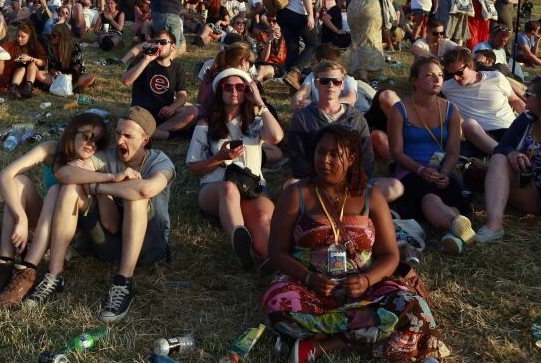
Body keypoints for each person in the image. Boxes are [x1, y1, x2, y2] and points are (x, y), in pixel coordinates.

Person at [263, 125, 446, 363]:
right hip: (309, 287)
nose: (324, 160)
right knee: (278, 306)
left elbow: (390, 255)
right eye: (320, 152)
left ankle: (326, 345)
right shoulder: (296, 194)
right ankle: (368, 334)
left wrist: (367, 280)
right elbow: (276, 251)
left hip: (365, 290)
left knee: (416, 312)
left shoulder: (372, 197)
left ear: (350, 159)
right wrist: (308, 278)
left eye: (334, 155)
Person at [39, 107, 175, 323]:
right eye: (118, 133)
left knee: (135, 194)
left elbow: (145, 190)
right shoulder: (108, 157)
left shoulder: (160, 162)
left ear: (145, 140)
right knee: (69, 188)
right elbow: (64, 173)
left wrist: (98, 188)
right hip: (110, 243)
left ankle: (123, 283)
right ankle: (54, 275)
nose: (120, 140)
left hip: (149, 249)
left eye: (128, 136)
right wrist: (112, 177)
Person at [0, 113, 109, 309]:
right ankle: (5, 264)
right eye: (87, 136)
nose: (91, 145)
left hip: (73, 227)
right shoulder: (52, 149)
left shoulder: (96, 160)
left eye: (97, 141)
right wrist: (21, 218)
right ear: (72, 132)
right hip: (47, 219)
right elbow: (5, 175)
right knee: (18, 182)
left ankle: (28, 269)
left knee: (56, 190)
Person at [187, 69, 283, 269]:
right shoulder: (206, 124)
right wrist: (218, 158)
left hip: (251, 189)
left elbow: (276, 138)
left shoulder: (255, 124)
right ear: (219, 92)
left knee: (263, 217)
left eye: (240, 87)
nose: (234, 91)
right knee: (228, 189)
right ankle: (239, 239)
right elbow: (194, 169)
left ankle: (271, 264)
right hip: (214, 188)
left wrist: (260, 102)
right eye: (228, 87)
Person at [387, 58, 477, 254]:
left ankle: (453, 236)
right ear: (414, 81)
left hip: (440, 169)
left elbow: (453, 150)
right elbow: (396, 152)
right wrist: (421, 170)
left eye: (440, 75)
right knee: (429, 196)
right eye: (429, 75)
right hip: (410, 170)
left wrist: (445, 172)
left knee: (449, 193)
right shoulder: (400, 110)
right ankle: (454, 224)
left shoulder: (450, 110)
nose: (436, 79)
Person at [476, 76, 541, 243]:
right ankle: (494, 226)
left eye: (529, 94)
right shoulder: (525, 120)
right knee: (500, 158)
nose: (524, 95)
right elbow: (502, 147)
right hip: (530, 192)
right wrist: (512, 153)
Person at [285, 61, 383, 182]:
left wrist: (352, 182)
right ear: (316, 84)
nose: (331, 85)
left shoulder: (356, 119)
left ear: (342, 85)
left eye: (336, 81)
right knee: (291, 184)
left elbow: (367, 158)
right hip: (314, 182)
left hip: (349, 182)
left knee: (394, 186)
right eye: (325, 81)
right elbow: (297, 158)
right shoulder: (302, 118)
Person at [440, 47, 523, 157]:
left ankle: (502, 154)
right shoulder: (447, 88)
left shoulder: (495, 77)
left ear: (471, 65)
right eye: (451, 74)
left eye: (459, 73)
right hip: (479, 135)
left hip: (507, 129)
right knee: (468, 125)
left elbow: (515, 100)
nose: (456, 78)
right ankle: (507, 155)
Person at [121, 30, 197, 140]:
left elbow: (182, 96)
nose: (158, 45)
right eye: (156, 42)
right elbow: (126, 81)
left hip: (164, 115)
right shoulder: (142, 61)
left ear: (172, 46)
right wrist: (146, 60)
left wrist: (172, 108)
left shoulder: (177, 68)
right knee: (131, 124)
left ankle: (153, 132)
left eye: (162, 42)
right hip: (142, 113)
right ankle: (172, 135)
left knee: (193, 111)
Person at [340, 0, 393, 81]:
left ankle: (360, 72)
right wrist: (388, 6)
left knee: (357, 40)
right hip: (372, 9)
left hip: (354, 10)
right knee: (372, 39)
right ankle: (372, 70)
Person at [36, 23, 96, 93]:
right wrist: (55, 72)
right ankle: (66, 88)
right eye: (51, 35)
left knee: (91, 76)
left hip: (74, 78)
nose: (51, 37)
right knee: (38, 74)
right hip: (59, 77)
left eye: (54, 36)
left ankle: (71, 88)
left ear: (62, 36)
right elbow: (51, 68)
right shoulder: (51, 47)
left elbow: (77, 69)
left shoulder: (74, 48)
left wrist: (68, 76)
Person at [0, 21, 46, 99]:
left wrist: (30, 58)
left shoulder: (36, 46)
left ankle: (28, 88)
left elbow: (43, 62)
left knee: (32, 64)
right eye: (18, 36)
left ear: (29, 36)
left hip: (32, 76)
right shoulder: (12, 45)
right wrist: (15, 60)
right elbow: (1, 51)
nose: (19, 39)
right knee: (22, 68)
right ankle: (13, 88)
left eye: (22, 37)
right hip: (16, 75)